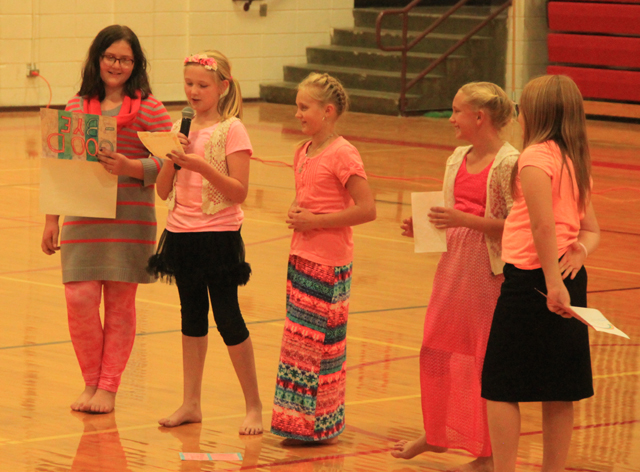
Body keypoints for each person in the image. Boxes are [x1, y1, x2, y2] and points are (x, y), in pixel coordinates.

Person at [41, 25, 172, 414]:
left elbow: (172, 163)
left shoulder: (151, 109)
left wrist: (130, 166)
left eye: (125, 59)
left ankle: (108, 388)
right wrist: (51, 220)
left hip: (130, 222)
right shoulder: (76, 106)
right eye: (110, 57)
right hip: (82, 219)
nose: (117, 65)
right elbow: (59, 167)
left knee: (120, 305)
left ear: (136, 64)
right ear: (97, 59)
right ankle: (90, 382)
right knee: (78, 298)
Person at [391, 82, 519, 471]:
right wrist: (425, 227)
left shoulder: (509, 163)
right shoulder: (457, 158)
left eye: (456, 111)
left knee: (483, 359)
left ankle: (488, 454)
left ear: (479, 117)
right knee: (436, 347)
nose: (450, 119)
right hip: (453, 266)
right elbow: (451, 213)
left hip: (489, 272)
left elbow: (518, 226)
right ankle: (437, 433)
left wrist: (464, 220)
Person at [481, 75, 600, 472]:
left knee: (499, 384)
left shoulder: (534, 157)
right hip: (565, 275)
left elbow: (542, 225)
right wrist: (580, 251)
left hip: (537, 281)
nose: (519, 113)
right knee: (559, 387)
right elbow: (590, 229)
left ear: (537, 113)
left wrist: (553, 284)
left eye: (523, 107)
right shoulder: (573, 159)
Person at [147, 50, 263, 435]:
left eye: (202, 85)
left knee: (228, 317)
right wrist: (172, 158)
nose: (194, 92)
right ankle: (191, 403)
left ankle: (253, 406)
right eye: (189, 84)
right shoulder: (180, 129)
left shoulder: (232, 129)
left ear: (223, 87)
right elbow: (162, 190)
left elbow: (239, 190)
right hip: (181, 234)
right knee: (191, 317)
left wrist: (201, 166)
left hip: (219, 235)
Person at [270, 72, 376, 445]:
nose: (297, 113)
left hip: (328, 263)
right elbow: (310, 197)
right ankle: (296, 425)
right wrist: (298, 211)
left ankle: (318, 426)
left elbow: (367, 209)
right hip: (300, 255)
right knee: (298, 346)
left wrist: (315, 220)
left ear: (327, 111)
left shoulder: (343, 152)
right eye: (297, 106)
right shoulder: (302, 151)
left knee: (320, 348)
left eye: (304, 107)